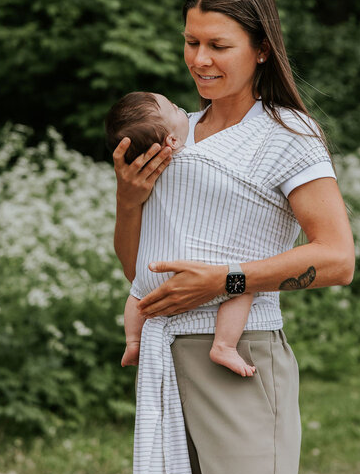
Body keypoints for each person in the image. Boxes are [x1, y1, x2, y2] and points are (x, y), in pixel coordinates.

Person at [112, 0, 355, 474]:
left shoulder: (287, 138)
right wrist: (128, 200)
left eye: (219, 45)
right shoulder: (170, 133)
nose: (200, 59)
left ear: (260, 48)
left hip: (240, 363)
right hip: (166, 366)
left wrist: (228, 281)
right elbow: (137, 269)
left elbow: (336, 258)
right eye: (192, 42)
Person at [105, 90, 255, 377]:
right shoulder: (197, 158)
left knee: (137, 296)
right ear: (171, 142)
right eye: (175, 108)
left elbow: (131, 272)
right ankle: (224, 345)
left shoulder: (145, 173)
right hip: (202, 272)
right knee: (243, 287)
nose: (183, 109)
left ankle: (133, 341)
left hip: (151, 273)